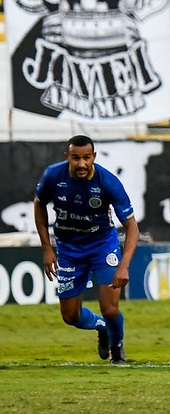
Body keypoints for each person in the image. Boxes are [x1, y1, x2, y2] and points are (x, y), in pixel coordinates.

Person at [34, 135, 139, 365]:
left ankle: (117, 347)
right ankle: (101, 326)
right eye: (76, 158)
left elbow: (132, 227)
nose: (81, 164)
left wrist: (123, 265)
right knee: (70, 316)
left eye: (86, 158)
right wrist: (47, 248)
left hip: (102, 245)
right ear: (67, 158)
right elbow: (38, 204)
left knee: (110, 309)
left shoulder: (108, 182)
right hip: (69, 248)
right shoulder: (53, 175)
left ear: (93, 157)